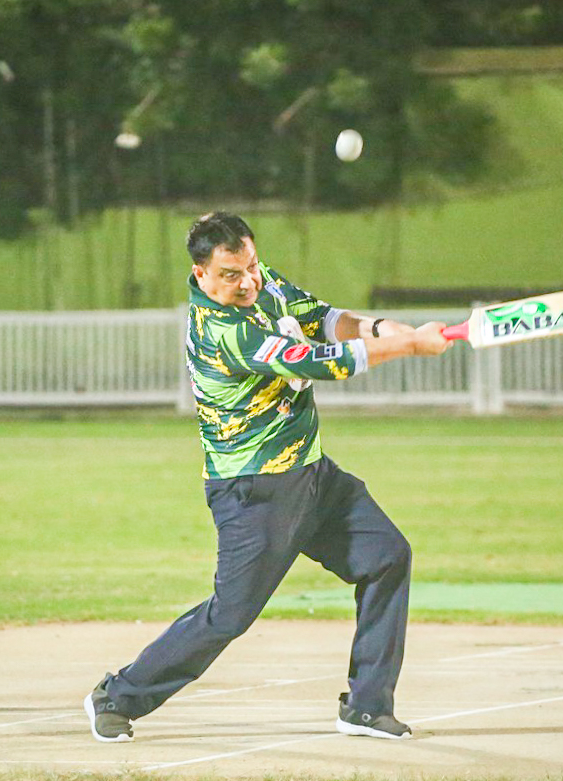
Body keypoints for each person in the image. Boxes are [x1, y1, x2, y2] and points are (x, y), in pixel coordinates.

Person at [84, 211, 451, 742]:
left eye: (251, 266)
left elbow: (320, 318)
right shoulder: (221, 330)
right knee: (230, 616)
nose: (248, 281)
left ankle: (367, 706)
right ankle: (118, 695)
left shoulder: (262, 282)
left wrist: (378, 328)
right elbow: (316, 360)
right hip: (253, 490)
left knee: (387, 557)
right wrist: (409, 345)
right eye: (231, 274)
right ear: (202, 274)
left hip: (312, 474)